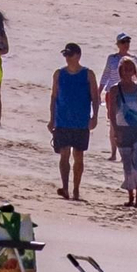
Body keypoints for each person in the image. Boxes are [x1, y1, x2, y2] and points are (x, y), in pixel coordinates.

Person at [48, 42, 100, 199]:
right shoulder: (59, 74)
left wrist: (95, 117)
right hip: (62, 120)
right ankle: (65, 187)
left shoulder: (88, 74)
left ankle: (76, 189)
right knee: (64, 155)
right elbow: (54, 97)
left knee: (78, 155)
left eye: (69, 55)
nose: (67, 58)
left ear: (78, 56)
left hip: (80, 121)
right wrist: (52, 119)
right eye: (65, 55)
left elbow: (95, 98)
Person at [106, 53, 137, 209]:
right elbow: (111, 113)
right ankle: (130, 196)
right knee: (127, 165)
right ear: (120, 71)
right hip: (123, 130)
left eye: (130, 69)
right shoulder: (115, 90)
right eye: (125, 69)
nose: (128, 72)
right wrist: (115, 131)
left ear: (134, 71)